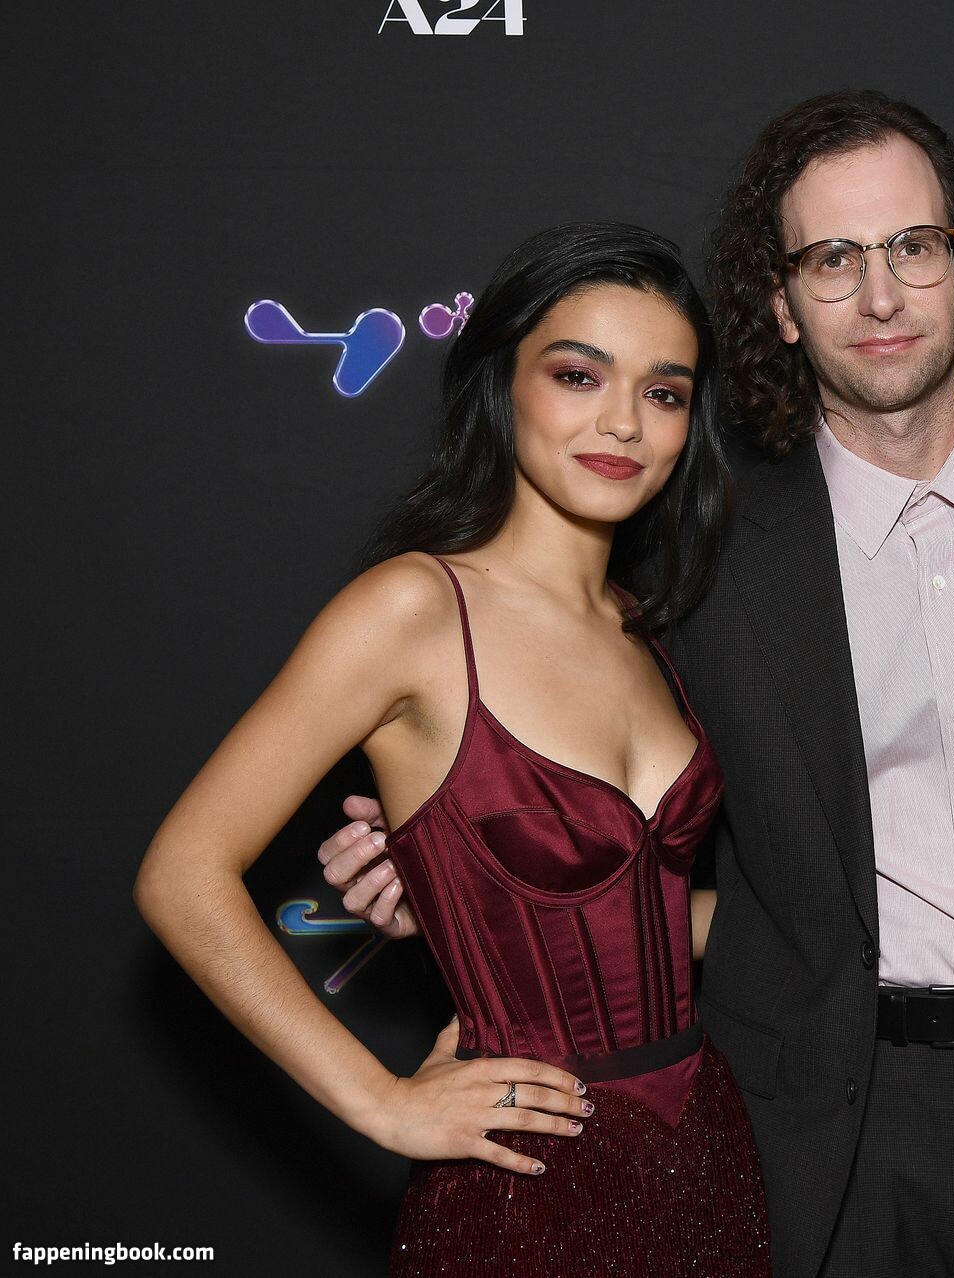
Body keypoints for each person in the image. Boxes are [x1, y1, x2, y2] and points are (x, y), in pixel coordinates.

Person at [319, 93, 954, 1277]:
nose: (880, 296)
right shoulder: (696, 571)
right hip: (828, 1121)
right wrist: (470, 877)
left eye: (914, 247)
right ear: (780, 301)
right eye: (833, 259)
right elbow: (594, 814)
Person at [135, 222, 770, 1276]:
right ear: (502, 386)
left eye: (664, 392)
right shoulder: (413, 612)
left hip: (702, 1148)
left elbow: (649, 914)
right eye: (579, 375)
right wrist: (381, 1102)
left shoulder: (651, 627)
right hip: (525, 1176)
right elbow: (182, 873)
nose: (623, 421)